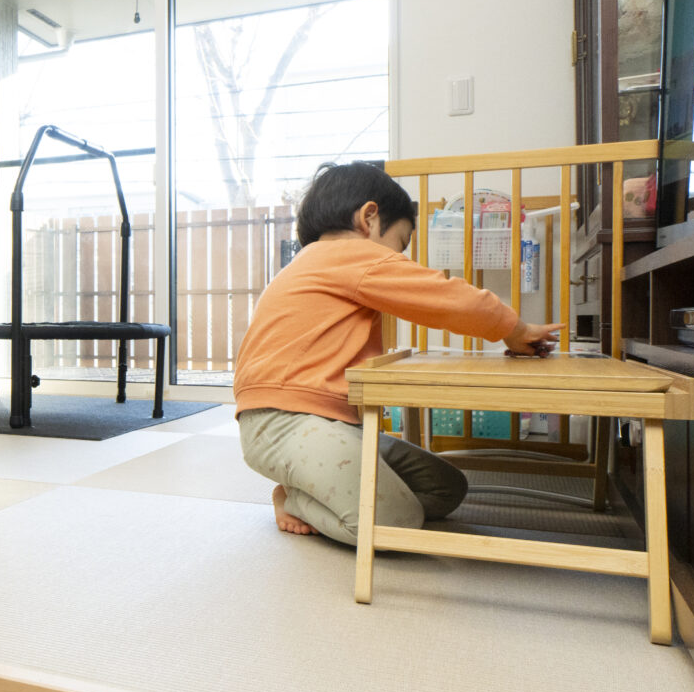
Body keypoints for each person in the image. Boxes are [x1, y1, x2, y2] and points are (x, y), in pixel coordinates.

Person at [232, 161, 560, 545]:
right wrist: (514, 329)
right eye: (400, 244)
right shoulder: (346, 255)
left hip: (326, 424)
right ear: (368, 219)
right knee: (396, 525)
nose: (398, 257)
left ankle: (320, 489)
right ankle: (293, 499)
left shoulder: (317, 263)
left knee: (446, 488)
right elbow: (444, 297)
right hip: (283, 422)